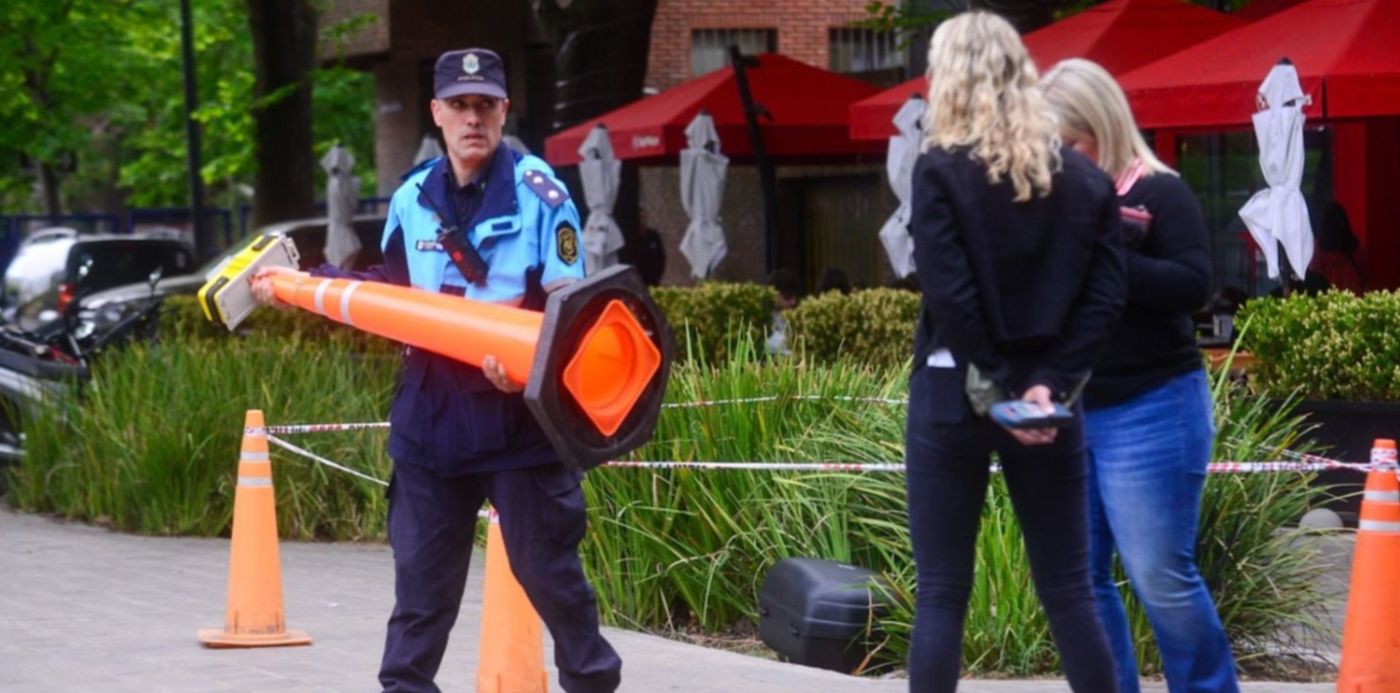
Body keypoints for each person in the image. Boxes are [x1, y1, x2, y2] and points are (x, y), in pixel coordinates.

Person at [250, 48, 621, 693]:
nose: (471, 118)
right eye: (459, 105)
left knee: (552, 578)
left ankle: (592, 683)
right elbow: (387, 289)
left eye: (484, 105)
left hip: (518, 418)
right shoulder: (412, 196)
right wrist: (297, 284)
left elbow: (571, 309)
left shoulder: (543, 194)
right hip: (431, 415)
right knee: (422, 589)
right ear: (437, 113)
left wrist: (532, 372)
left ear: (504, 110)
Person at [905, 14, 1126, 693]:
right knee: (1069, 591)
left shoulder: (939, 171)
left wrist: (993, 387)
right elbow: (1106, 294)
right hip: (1050, 406)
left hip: (953, 394)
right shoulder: (1086, 182)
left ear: (952, 80)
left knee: (943, 592)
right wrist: (1047, 386)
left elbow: (951, 295)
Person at [1042, 57, 1239, 693]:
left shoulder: (1159, 192)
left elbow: (1192, 286)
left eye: (1069, 145)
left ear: (1101, 127)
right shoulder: (1057, 203)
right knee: (1081, 578)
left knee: (1159, 573)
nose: (1060, 159)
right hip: (1074, 410)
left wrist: (1103, 254)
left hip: (1153, 407)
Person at [765, 268, 802, 356]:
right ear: (774, 294)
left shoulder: (797, 317)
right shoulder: (763, 319)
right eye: (787, 296)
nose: (793, 302)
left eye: (795, 297)